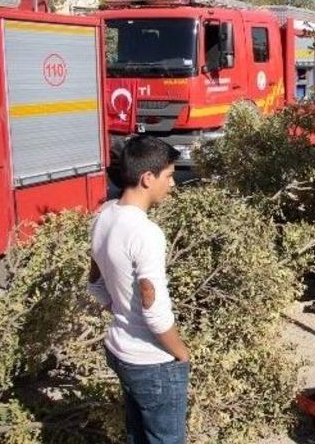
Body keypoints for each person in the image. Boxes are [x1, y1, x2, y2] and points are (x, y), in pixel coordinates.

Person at [88, 136, 190, 444]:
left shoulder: (104, 215)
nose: (172, 184)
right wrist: (181, 354)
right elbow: (154, 309)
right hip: (152, 361)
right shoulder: (146, 233)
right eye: (169, 176)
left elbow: (94, 283)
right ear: (147, 178)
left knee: (137, 435)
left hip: (119, 352)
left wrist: (120, 310)